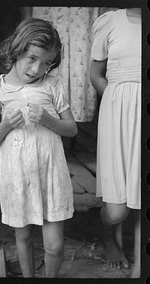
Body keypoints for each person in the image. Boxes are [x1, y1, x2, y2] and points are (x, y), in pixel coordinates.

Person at [0, 17, 77, 278]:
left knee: (55, 246)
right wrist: (5, 126)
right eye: (32, 58)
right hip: (17, 175)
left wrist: (47, 119)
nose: (37, 69)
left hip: (50, 173)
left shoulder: (53, 85)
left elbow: (71, 129)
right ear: (18, 48)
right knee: (22, 238)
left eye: (46, 63)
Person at [90, 8, 141, 278]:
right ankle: (108, 236)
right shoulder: (112, 21)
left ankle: (140, 268)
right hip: (118, 116)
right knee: (117, 211)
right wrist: (114, 101)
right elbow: (96, 74)